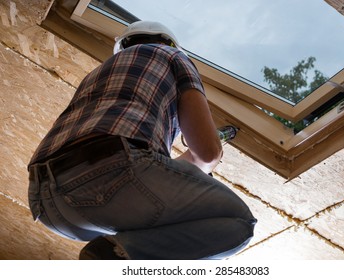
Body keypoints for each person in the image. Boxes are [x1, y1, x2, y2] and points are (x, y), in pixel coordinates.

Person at [27, 21, 256, 260]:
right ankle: (112, 256)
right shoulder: (173, 56)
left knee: (147, 233)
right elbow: (207, 153)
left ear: (123, 45)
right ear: (169, 43)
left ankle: (116, 255)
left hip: (47, 205)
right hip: (109, 177)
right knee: (237, 223)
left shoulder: (97, 74)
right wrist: (204, 167)